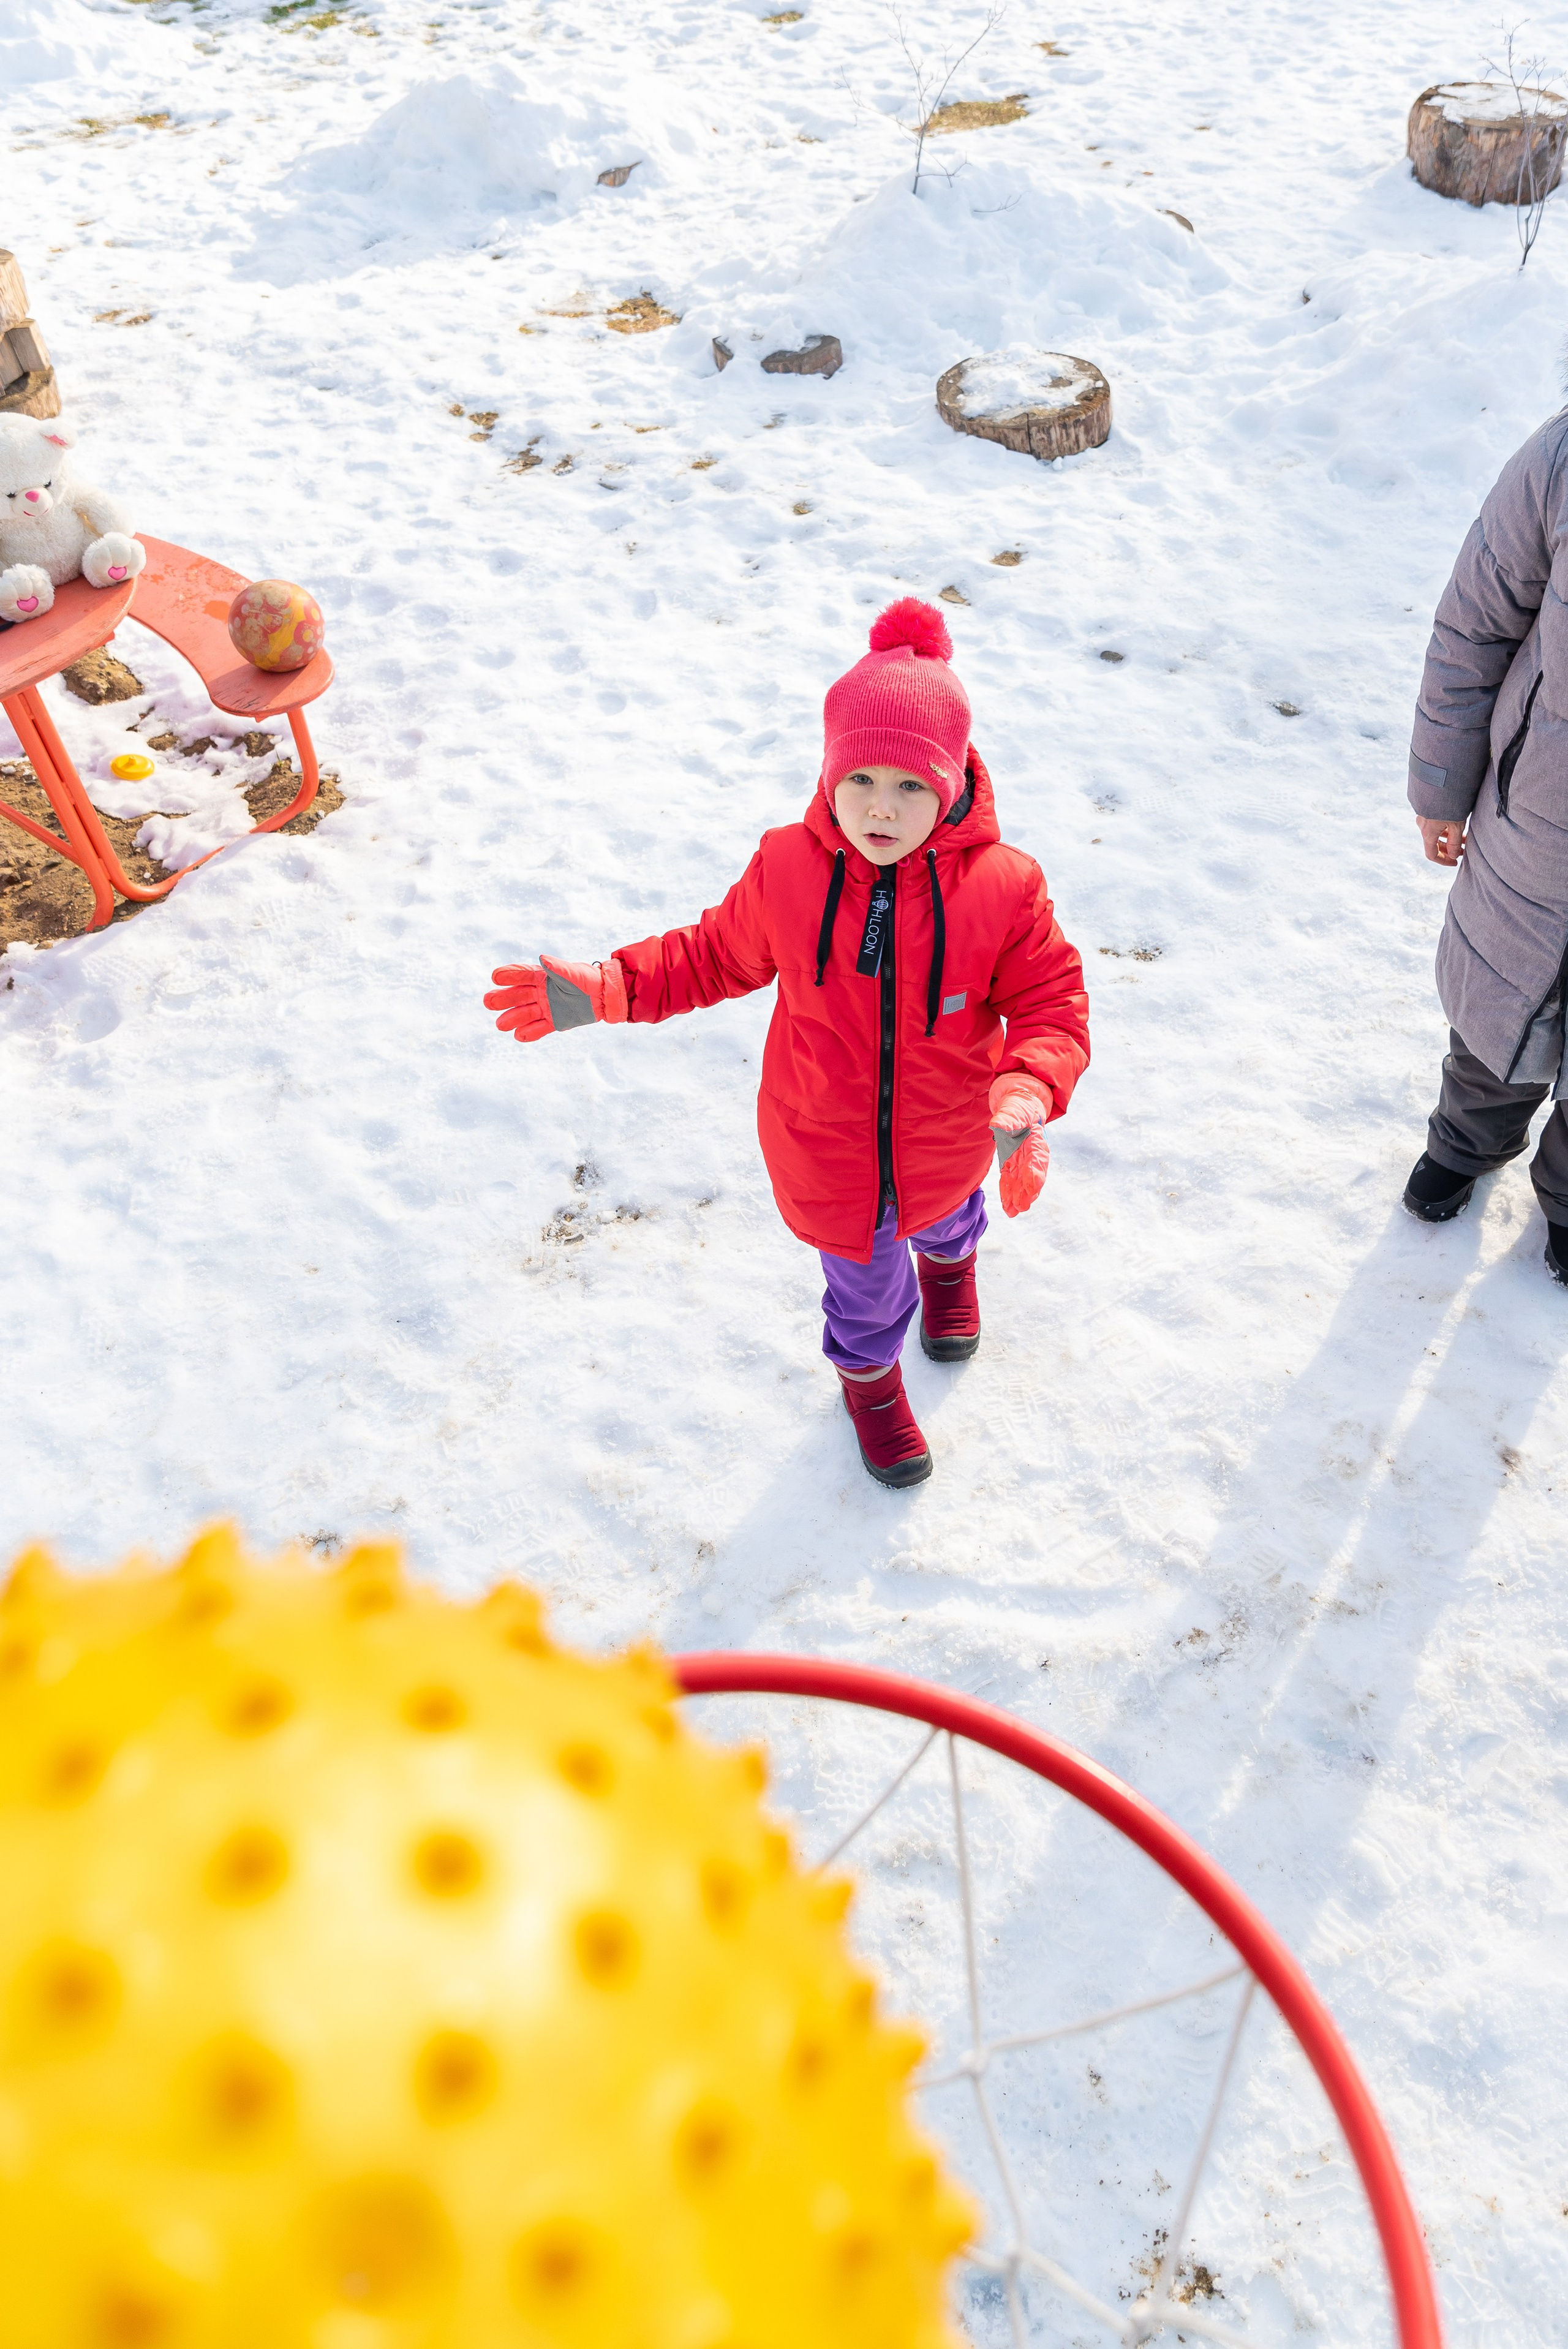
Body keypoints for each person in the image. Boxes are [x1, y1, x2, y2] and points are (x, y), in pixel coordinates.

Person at [484, 600, 1090, 1487]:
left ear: (953, 783)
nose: (881, 809)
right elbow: (711, 956)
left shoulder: (1004, 888)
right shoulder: (790, 869)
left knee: (952, 1210)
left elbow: (1050, 1002)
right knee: (864, 1287)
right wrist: (614, 987)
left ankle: (951, 1271)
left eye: (912, 786)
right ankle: (872, 1384)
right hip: (826, 1144)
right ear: (830, 776)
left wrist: (1027, 1090)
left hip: (955, 1127)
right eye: (862, 782)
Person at [1404, 409, 1568, 1284]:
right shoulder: (1560, 459)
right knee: (1498, 1007)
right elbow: (1473, 631)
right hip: (1538, 824)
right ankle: (1467, 1143)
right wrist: (1444, 783)